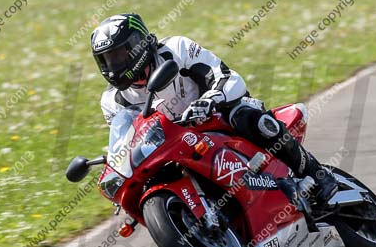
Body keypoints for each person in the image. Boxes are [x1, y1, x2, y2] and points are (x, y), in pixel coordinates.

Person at [91, 13, 337, 205]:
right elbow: (126, 140)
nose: (114, 65)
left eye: (119, 55)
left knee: (249, 117)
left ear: (138, 44)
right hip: (175, 147)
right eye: (107, 59)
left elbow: (227, 77)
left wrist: (209, 100)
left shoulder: (177, 50)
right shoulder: (112, 101)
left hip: (216, 118)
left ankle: (316, 174)